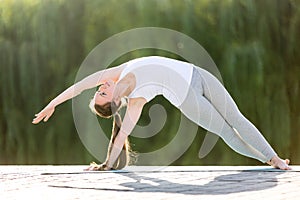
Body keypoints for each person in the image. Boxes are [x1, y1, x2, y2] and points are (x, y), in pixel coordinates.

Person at [32, 56, 291, 170]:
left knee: (237, 119)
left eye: (98, 90)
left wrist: (52, 103)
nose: (100, 87)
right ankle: (271, 162)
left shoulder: (116, 72)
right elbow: (121, 136)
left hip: (198, 74)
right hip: (188, 99)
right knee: (226, 132)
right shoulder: (134, 102)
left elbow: (77, 88)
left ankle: (273, 157)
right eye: (101, 94)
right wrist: (107, 165)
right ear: (112, 102)